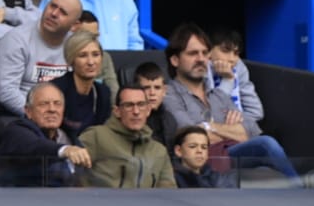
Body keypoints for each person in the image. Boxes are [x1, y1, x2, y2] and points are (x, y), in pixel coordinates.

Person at [162, 23, 297, 181]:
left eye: (204, 53)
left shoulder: (218, 95)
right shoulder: (168, 93)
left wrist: (210, 127)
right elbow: (191, 135)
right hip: (200, 161)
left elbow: (252, 130)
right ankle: (303, 192)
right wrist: (231, 131)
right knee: (266, 145)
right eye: (193, 53)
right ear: (175, 60)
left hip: (231, 157)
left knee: (265, 170)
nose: (200, 59)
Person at [0, 0, 82, 117]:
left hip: (60, 117)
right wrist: (40, 116)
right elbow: (6, 93)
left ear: (74, 25)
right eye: (52, 6)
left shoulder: (75, 46)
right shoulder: (16, 40)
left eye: (63, 12)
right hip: (16, 116)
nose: (54, 14)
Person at [0, 82, 91, 187]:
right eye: (44, 104)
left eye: (57, 103)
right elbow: (35, 146)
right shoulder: (16, 131)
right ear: (28, 111)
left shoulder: (69, 135)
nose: (52, 109)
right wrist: (65, 150)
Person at [79, 85, 175, 189]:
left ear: (148, 110)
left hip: (147, 204)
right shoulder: (96, 136)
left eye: (141, 105)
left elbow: (168, 192)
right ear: (117, 111)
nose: (136, 112)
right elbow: (74, 175)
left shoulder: (159, 151)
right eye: (129, 105)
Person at [52, 30, 111, 138]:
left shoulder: (103, 93)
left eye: (95, 55)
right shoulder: (55, 90)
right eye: (83, 55)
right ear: (71, 60)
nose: (91, 62)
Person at [169, 125, 234, 189]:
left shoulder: (216, 177)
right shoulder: (170, 178)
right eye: (192, 146)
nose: (199, 151)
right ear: (178, 151)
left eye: (204, 147)